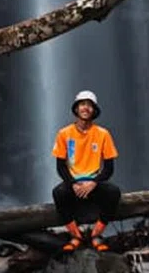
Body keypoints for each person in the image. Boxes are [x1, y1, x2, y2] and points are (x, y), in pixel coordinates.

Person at [51, 90, 121, 252]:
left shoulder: (103, 134)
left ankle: (96, 234)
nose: (86, 108)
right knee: (58, 193)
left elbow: (109, 168)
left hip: (93, 182)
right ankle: (76, 236)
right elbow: (60, 167)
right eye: (82, 104)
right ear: (76, 108)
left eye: (90, 105)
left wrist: (94, 183)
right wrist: (73, 183)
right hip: (74, 182)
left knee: (114, 192)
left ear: (94, 110)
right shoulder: (64, 133)